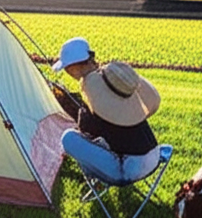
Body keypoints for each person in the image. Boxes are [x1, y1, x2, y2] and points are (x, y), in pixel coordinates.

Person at [52, 37, 162, 184]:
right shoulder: (113, 79)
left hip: (129, 169)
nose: (66, 72)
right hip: (154, 156)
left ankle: (94, 179)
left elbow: (88, 131)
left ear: (74, 67)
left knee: (68, 138)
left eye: (66, 68)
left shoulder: (92, 90)